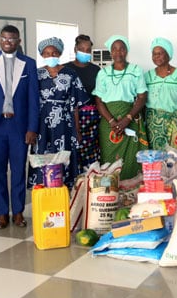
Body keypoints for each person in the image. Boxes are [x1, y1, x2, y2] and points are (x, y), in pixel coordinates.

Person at [0, 25, 39, 229]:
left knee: (18, 170)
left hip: (19, 126)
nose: (7, 42)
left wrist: (32, 128)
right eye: (4, 38)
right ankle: (2, 213)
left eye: (12, 39)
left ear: (19, 41)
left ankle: (19, 212)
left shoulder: (28, 64)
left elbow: (33, 98)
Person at [34, 37, 89, 188]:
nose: (50, 55)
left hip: (65, 122)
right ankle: (43, 186)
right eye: (46, 53)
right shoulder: (36, 74)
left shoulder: (70, 74)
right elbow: (30, 102)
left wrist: (77, 129)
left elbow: (75, 104)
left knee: (65, 153)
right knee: (44, 153)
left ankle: (65, 187)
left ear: (59, 54)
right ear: (42, 55)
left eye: (54, 52)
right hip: (42, 123)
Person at [93, 35, 148, 180]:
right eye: (114, 49)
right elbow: (98, 100)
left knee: (130, 159)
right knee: (109, 158)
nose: (118, 52)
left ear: (126, 51)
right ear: (110, 53)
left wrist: (127, 119)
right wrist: (112, 121)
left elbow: (142, 97)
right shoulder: (103, 73)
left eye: (122, 49)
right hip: (108, 123)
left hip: (130, 117)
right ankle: (110, 195)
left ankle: (129, 194)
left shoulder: (136, 70)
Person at [144, 37, 177, 150]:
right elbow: (142, 102)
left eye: (160, 53)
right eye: (154, 54)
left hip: (176, 124)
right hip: (153, 127)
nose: (157, 57)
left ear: (168, 54)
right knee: (156, 161)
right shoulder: (147, 76)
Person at [65, 35, 101, 170]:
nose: (85, 52)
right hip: (71, 116)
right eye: (82, 49)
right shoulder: (66, 69)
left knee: (91, 152)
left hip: (92, 119)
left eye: (88, 50)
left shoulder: (96, 70)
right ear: (75, 49)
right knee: (73, 151)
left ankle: (89, 184)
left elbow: (99, 96)